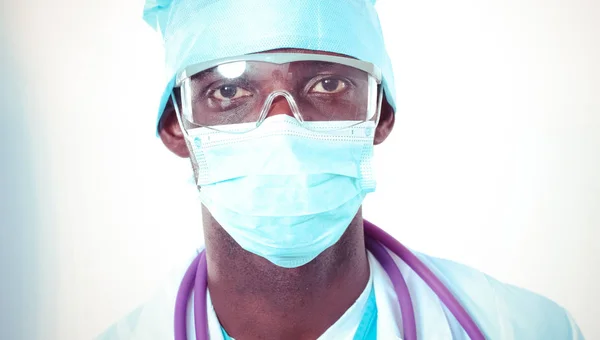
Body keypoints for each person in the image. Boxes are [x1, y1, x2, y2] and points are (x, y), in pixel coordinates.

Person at [99, 0, 584, 339]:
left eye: (327, 84)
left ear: (380, 116)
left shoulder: (524, 329)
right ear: (176, 127)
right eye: (230, 91)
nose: (282, 129)